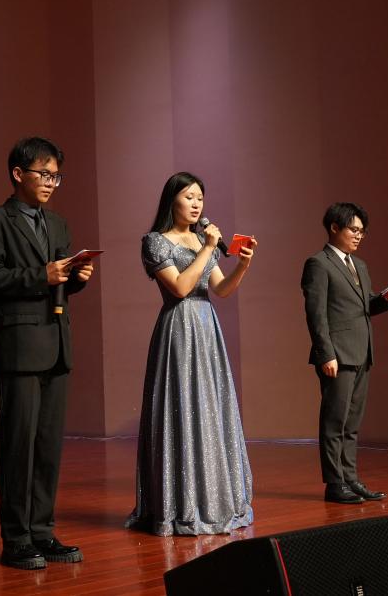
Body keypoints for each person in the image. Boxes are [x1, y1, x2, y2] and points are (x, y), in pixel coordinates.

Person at [0, 136, 95, 570]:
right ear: (18, 174)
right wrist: (42, 274)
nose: (50, 182)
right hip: (19, 348)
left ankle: (43, 531)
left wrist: (75, 278)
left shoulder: (58, 224)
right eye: (43, 174)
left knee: (47, 448)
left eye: (56, 176)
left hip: (57, 346)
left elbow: (58, 284)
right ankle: (16, 539)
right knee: (18, 446)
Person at [126, 172, 257, 536]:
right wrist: (207, 249)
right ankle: (178, 503)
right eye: (189, 196)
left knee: (209, 408)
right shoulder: (155, 242)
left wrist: (242, 264)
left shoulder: (202, 240)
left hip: (206, 328)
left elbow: (221, 289)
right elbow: (181, 288)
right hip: (179, 328)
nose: (197, 203)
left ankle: (214, 498)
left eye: (200, 197)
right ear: (172, 201)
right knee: (181, 408)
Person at [301, 202, 388, 504]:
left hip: (362, 352)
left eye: (362, 231)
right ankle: (335, 484)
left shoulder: (359, 265)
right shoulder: (318, 264)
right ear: (335, 228)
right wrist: (325, 354)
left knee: (352, 423)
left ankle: (350, 478)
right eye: (354, 230)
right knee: (335, 422)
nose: (359, 236)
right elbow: (316, 315)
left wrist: (385, 300)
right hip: (337, 355)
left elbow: (363, 307)